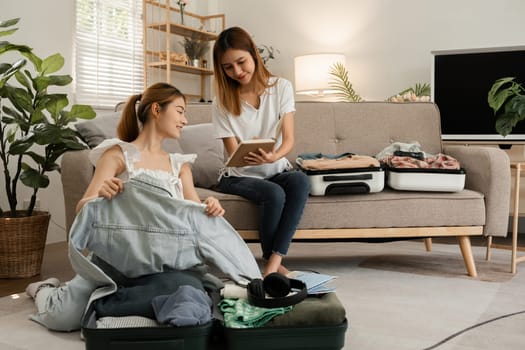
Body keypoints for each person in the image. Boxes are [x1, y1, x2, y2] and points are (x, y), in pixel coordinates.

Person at [25, 82, 262, 331]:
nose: (185, 120)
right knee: (62, 318)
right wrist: (101, 196)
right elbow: (84, 208)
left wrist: (210, 205)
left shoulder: (179, 165)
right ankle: (43, 289)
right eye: (180, 111)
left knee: (189, 297)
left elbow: (193, 211)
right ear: (157, 110)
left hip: (166, 264)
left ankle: (116, 309)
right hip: (115, 262)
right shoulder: (117, 155)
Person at [211, 26, 310, 277]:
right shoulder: (222, 100)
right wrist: (250, 150)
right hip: (238, 176)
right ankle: (270, 261)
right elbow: (233, 154)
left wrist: (274, 155)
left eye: (241, 62)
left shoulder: (281, 87)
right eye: (228, 67)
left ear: (253, 54)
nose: (237, 71)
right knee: (273, 193)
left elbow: (288, 139)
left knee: (299, 179)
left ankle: (273, 264)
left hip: (274, 167)